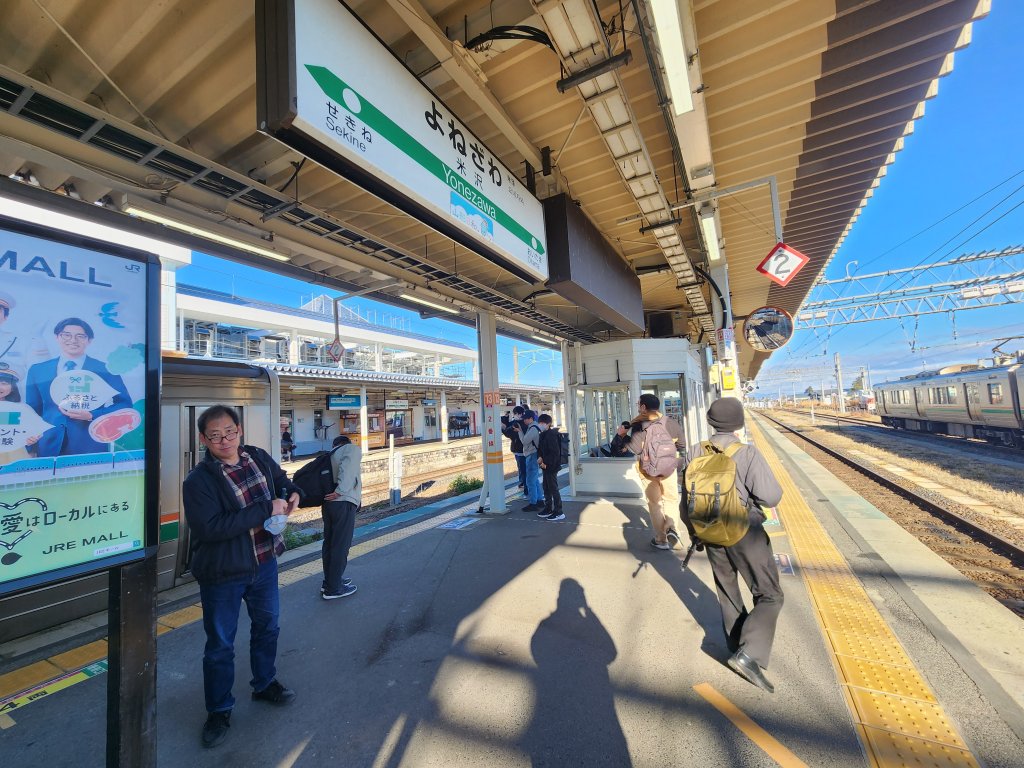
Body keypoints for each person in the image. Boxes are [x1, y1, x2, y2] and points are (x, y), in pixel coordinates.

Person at [182, 404, 302, 749]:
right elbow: (210, 528)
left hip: (264, 562)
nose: (224, 440)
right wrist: (266, 509)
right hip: (223, 572)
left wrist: (293, 492)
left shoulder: (258, 456)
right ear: (204, 439)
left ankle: (264, 683)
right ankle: (219, 709)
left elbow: (281, 480)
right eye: (215, 435)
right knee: (220, 644)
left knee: (268, 627)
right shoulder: (199, 480)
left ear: (240, 431)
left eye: (230, 432)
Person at [681, 397, 784, 693]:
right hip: (745, 533)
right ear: (739, 423)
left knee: (727, 592)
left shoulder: (694, 452)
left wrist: (694, 533)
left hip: (709, 531)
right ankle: (749, 653)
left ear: (711, 421)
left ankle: (736, 648)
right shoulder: (746, 453)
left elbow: (686, 499)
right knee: (770, 595)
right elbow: (770, 497)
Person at [24, 317, 131, 457]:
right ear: (57, 337)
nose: (73, 340)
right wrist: (30, 440)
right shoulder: (38, 370)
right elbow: (32, 410)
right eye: (66, 335)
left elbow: (125, 404)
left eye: (80, 336)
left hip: (90, 444)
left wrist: (92, 415)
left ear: (89, 340)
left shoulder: (105, 369)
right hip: (49, 444)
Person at [626, 394, 684, 550]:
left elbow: (636, 449)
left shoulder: (639, 425)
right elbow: (682, 446)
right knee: (671, 500)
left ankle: (661, 539)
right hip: (669, 470)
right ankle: (673, 530)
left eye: (639, 404)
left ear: (644, 407)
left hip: (648, 472)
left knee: (655, 503)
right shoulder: (671, 423)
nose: (638, 406)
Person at [321, 433, 361, 600]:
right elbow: (348, 468)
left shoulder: (330, 455)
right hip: (342, 502)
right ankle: (334, 589)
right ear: (346, 443)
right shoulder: (350, 449)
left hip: (329, 505)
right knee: (340, 545)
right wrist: (341, 491)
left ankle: (330, 581)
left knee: (330, 543)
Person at [0, 367, 40, 466]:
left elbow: (36, 430)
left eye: (4, 383)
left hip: (14, 456)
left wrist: (31, 439)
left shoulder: (21, 409)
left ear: (13, 387)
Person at [536, 413, 564, 521]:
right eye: (540, 423)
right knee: (546, 488)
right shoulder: (542, 434)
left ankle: (559, 511)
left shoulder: (551, 435)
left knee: (553, 488)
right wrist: (539, 457)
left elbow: (554, 452)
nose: (541, 425)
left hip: (552, 466)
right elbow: (540, 449)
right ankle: (548, 508)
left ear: (548, 424)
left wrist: (544, 461)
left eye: (543, 423)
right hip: (545, 465)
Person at [519, 410, 544, 512]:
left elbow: (524, 441)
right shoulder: (534, 427)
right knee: (535, 480)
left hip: (532, 455)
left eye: (526, 418)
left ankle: (533, 503)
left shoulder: (533, 429)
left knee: (530, 481)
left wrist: (520, 431)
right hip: (534, 455)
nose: (524, 420)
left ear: (531, 419)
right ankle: (539, 500)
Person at [501, 405, 527, 491]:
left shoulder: (518, 424)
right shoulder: (519, 422)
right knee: (521, 467)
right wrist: (505, 417)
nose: (519, 415)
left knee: (522, 468)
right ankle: (523, 483)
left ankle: (524, 484)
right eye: (518, 414)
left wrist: (503, 429)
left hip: (520, 450)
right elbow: (507, 426)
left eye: (520, 414)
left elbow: (507, 432)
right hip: (518, 450)